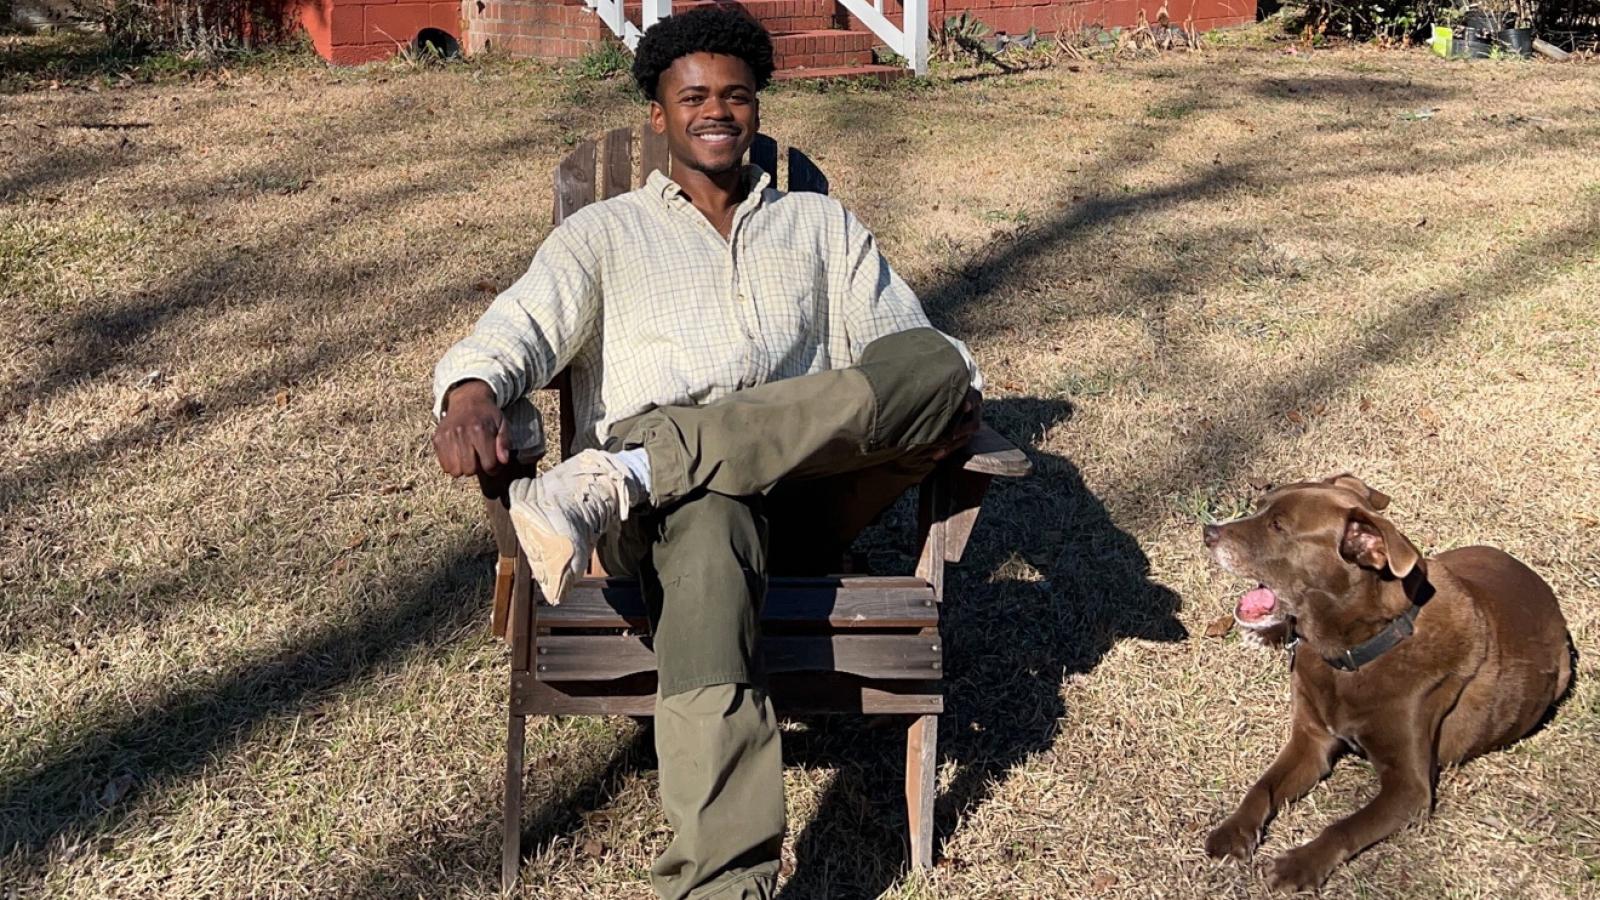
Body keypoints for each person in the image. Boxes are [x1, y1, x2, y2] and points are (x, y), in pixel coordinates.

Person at [431, 8, 982, 897]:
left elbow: (904, 356)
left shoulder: (821, 228)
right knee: (711, 520)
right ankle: (722, 886)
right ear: (658, 116)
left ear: (758, 109)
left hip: (802, 498)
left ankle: (636, 465)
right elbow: (515, 332)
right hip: (664, 532)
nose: (716, 111)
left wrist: (929, 396)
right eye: (694, 97)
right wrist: (470, 399)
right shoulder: (605, 236)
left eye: (736, 95)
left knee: (942, 365)